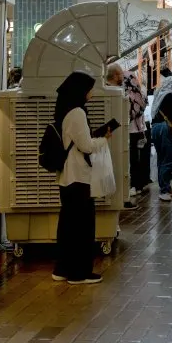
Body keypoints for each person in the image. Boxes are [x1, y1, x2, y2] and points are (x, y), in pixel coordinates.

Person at [53, 71, 113, 285]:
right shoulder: (77, 113)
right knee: (82, 226)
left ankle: (62, 268)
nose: (92, 93)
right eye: (90, 89)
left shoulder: (65, 111)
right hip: (78, 177)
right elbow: (85, 146)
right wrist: (103, 139)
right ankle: (79, 273)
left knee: (68, 225)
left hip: (67, 177)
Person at [105, 63, 138, 210]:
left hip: (118, 137)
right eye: (120, 75)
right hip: (112, 139)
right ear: (115, 75)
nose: (122, 77)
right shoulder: (110, 92)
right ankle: (118, 199)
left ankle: (122, 198)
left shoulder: (116, 91)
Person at [151, 70, 172, 202]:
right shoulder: (169, 96)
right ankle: (164, 191)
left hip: (155, 127)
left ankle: (166, 187)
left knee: (161, 159)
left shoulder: (159, 94)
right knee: (167, 159)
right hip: (164, 128)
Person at [124, 71, 149, 196]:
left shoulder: (127, 95)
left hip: (129, 130)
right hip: (140, 130)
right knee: (139, 159)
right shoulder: (141, 93)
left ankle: (133, 185)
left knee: (131, 159)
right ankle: (139, 185)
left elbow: (127, 115)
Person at [147, 19, 172, 95]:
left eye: (168, 28)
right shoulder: (157, 36)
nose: (167, 30)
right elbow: (148, 46)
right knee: (151, 87)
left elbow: (170, 44)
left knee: (171, 78)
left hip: (160, 62)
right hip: (154, 62)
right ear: (161, 27)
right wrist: (151, 60)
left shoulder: (163, 37)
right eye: (166, 28)